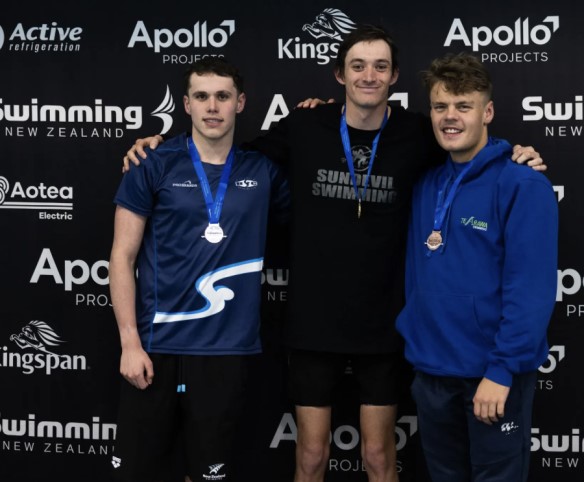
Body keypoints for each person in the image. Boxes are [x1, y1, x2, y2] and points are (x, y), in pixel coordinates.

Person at [122, 26, 545, 482]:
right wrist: (156, 149)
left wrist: (513, 152)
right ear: (339, 74)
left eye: (380, 66)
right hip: (312, 323)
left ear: (394, 76)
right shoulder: (306, 125)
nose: (369, 75)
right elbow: (226, 155)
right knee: (310, 457)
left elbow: (467, 148)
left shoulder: (421, 134)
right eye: (357, 65)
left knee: (381, 459)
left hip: (384, 324)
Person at [109, 57, 288, 482]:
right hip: (157, 346)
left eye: (223, 96)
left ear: (240, 103)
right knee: (138, 472)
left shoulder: (263, 171)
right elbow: (121, 256)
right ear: (186, 104)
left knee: (207, 474)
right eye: (202, 96)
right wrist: (129, 344)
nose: (213, 106)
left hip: (226, 350)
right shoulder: (153, 163)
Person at [395, 52, 558, 482]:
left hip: (491, 378)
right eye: (440, 106)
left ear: (487, 112)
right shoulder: (426, 183)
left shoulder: (523, 184)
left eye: (463, 106)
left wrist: (502, 371)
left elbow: (531, 290)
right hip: (432, 375)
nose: (450, 117)